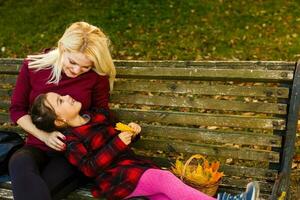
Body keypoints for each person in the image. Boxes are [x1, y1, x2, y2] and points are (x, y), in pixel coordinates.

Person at [30, 92, 261, 200]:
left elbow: (116, 137)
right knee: (165, 180)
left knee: (164, 196)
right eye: (60, 101)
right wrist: (119, 144)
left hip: (132, 167)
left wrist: (130, 133)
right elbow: (90, 168)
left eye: (61, 94)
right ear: (60, 121)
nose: (67, 96)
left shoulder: (97, 117)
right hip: (114, 179)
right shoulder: (71, 141)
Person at [8, 21, 115, 200]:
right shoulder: (34, 66)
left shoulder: (96, 76)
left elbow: (102, 113)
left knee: (42, 190)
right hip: (37, 145)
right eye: (72, 62)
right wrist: (44, 136)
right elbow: (17, 110)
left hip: (74, 152)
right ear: (62, 48)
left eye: (85, 66)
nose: (76, 70)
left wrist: (77, 124)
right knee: (19, 160)